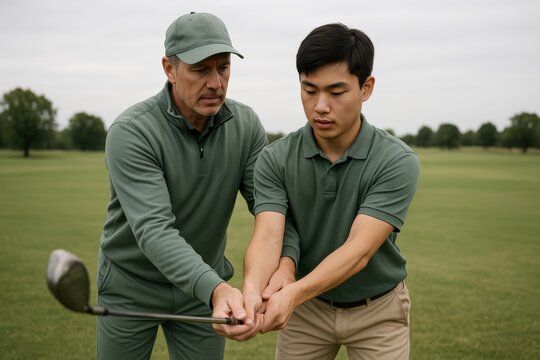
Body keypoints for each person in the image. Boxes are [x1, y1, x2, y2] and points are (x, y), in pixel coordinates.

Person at [242, 23, 420, 359]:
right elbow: (268, 236)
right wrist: (253, 289)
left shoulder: (396, 160)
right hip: (307, 310)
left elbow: (359, 250)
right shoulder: (275, 157)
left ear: (366, 88)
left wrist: (292, 293)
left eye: (336, 92)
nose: (320, 105)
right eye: (309, 90)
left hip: (378, 310)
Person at [96, 12, 266, 360]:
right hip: (131, 287)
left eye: (223, 68)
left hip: (201, 293)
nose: (216, 82)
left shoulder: (246, 125)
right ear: (169, 69)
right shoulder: (132, 131)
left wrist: (280, 272)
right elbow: (155, 230)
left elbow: (270, 208)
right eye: (201, 69)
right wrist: (217, 289)